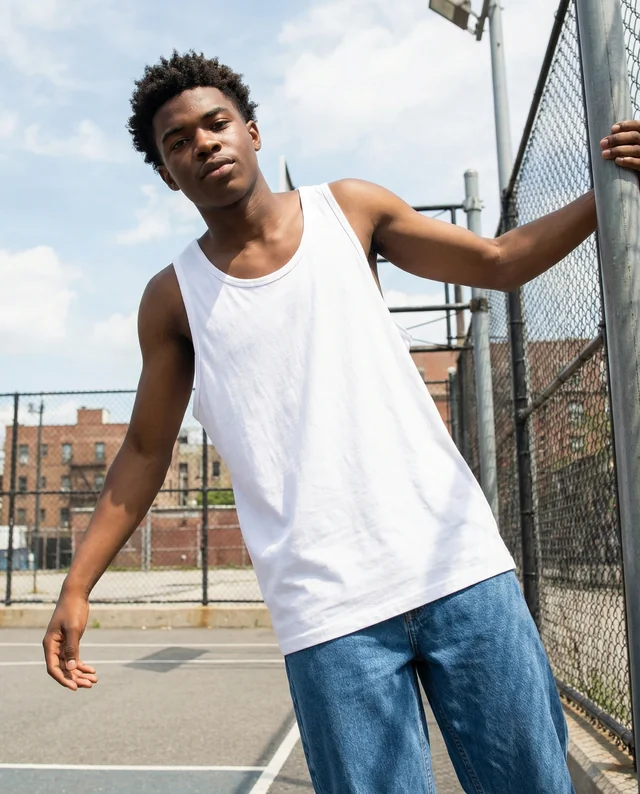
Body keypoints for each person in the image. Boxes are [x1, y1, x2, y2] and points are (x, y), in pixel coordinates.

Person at [42, 51, 640, 793]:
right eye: (178, 142)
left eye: (216, 123)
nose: (202, 143)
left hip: (457, 568)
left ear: (253, 132)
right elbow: (142, 450)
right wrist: (76, 585)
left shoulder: (349, 210)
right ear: (168, 175)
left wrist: (608, 192)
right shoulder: (172, 299)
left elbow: (499, 259)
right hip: (327, 610)